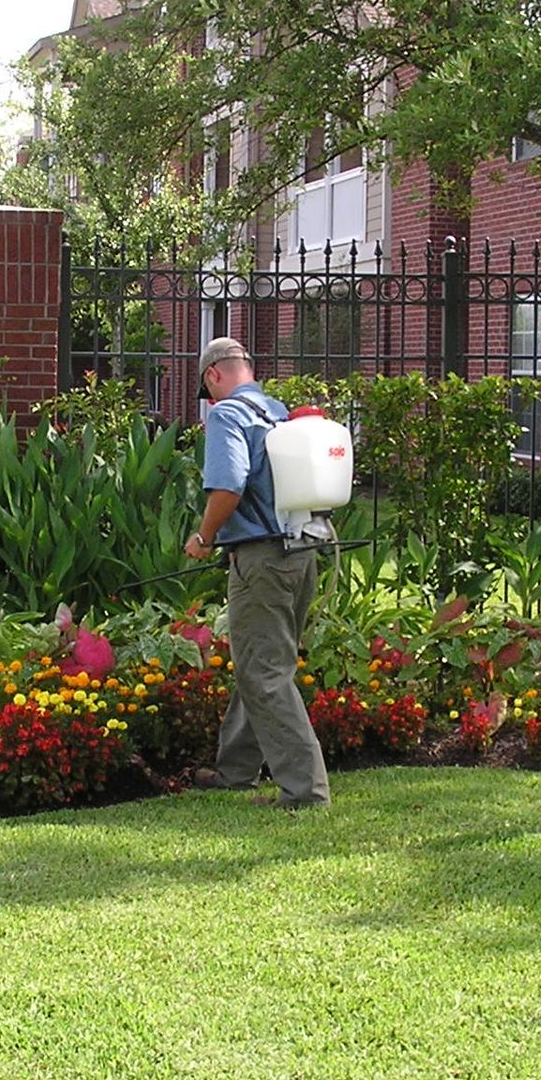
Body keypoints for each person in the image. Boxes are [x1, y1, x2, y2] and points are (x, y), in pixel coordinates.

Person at [183, 337, 332, 809]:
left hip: (261, 559)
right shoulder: (277, 411)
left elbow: (228, 485)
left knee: (264, 672)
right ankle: (236, 769)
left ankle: (306, 792)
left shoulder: (227, 415)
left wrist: (204, 538)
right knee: (260, 662)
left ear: (213, 376)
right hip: (301, 550)